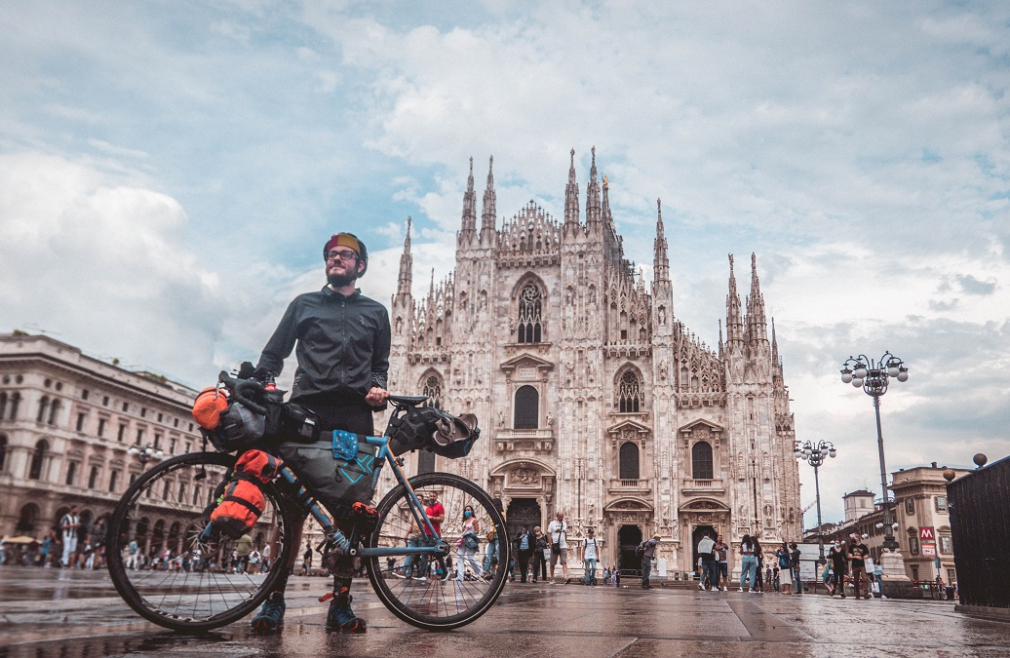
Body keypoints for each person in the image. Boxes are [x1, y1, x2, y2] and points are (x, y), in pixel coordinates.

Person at [251, 232, 390, 634]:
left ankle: (340, 605)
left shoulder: (375, 312)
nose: (337, 259)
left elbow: (380, 363)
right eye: (331, 254)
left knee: (350, 516)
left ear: (359, 266)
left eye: (345, 255)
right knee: (290, 512)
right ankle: (273, 600)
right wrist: (263, 382)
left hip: (354, 420)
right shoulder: (304, 305)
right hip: (306, 413)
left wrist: (378, 387)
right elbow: (273, 353)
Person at [456, 505, 483, 581]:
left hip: (470, 540)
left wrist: (470, 534)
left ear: (472, 511)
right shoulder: (464, 521)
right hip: (463, 540)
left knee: (471, 558)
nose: (467, 511)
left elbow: (477, 531)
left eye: (469, 510)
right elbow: (463, 530)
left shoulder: (474, 520)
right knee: (459, 557)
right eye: (466, 510)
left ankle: (480, 573)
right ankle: (460, 577)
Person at [547, 511, 569, 581]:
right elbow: (548, 533)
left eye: (562, 517)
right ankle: (552, 577)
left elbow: (565, 533)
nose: (561, 518)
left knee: (564, 561)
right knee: (552, 562)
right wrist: (550, 544)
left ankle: (565, 576)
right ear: (557, 516)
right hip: (555, 545)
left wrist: (565, 541)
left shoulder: (564, 524)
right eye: (560, 517)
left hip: (563, 545)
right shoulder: (552, 524)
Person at [848, 534, 871, 600]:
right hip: (855, 565)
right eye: (853, 537)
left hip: (862, 565)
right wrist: (855, 556)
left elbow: (866, 555)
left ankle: (865, 593)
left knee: (864, 579)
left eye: (855, 537)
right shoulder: (851, 547)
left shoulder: (863, 546)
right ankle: (857, 594)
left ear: (858, 538)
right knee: (856, 580)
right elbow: (849, 556)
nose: (854, 538)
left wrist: (864, 557)